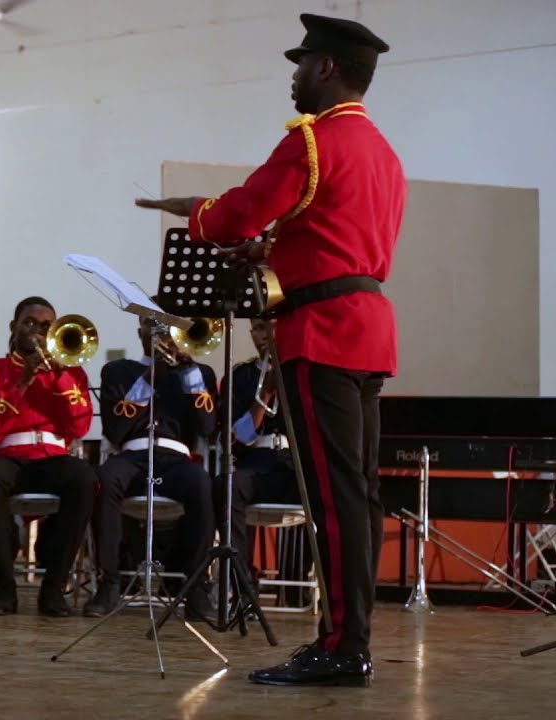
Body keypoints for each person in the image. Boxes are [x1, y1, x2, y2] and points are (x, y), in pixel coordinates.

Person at [138, 13, 404, 687]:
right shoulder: (385, 154)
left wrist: (192, 210)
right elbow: (337, 240)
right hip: (368, 326)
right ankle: (349, 638)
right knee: (358, 494)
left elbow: (237, 213)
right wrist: (275, 250)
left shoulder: (314, 142)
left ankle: (344, 646)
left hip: (321, 332)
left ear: (326, 69)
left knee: (333, 497)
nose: (292, 76)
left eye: (300, 63)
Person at [84, 313, 216, 620]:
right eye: (151, 325)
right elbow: (115, 430)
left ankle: (197, 587)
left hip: (176, 459)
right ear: (139, 330)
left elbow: (208, 427)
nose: (161, 334)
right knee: (105, 479)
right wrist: (149, 376)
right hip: (132, 456)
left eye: (168, 327)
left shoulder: (199, 374)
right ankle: (109, 582)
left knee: (202, 483)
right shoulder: (118, 370)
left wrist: (189, 373)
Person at [0, 297, 96, 617]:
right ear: (14, 327)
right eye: (30, 323)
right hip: (9, 454)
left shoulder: (70, 372)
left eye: (46, 326)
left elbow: (80, 426)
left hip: (52, 457)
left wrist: (60, 375)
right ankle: (4, 588)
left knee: (84, 477)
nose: (38, 332)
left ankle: (54, 589)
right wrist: (24, 379)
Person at [217, 319, 299, 579]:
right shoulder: (241, 376)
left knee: (323, 488)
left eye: (273, 326)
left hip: (292, 460)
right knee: (226, 485)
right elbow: (236, 438)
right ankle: (242, 581)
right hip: (254, 460)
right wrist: (264, 395)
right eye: (259, 328)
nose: (266, 335)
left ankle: (297, 584)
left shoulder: (300, 371)